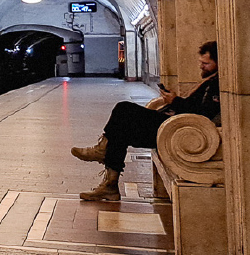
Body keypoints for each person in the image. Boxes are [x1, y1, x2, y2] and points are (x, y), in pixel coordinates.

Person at [74, 40, 220, 202]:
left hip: (181, 131)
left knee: (123, 110)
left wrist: (175, 101)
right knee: (121, 130)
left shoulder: (216, 85)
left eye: (206, 63)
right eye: (201, 62)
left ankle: (105, 156)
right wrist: (174, 101)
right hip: (176, 125)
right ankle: (110, 184)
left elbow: (202, 114)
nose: (201, 66)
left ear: (218, 63)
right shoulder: (211, 81)